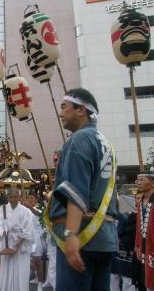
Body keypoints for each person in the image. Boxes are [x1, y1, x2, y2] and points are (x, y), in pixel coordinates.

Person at [47, 88, 118, 291]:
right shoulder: (107, 143)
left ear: (81, 110)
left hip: (81, 238)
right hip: (104, 238)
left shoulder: (79, 139)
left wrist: (70, 234)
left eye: (64, 107)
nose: (61, 113)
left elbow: (76, 191)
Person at [0, 188, 34, 291]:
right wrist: (2, 230)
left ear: (19, 197)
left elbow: (28, 227)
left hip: (20, 243)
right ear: (8, 197)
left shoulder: (25, 211)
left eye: (15, 197)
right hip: (7, 241)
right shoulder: (3, 209)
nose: (13, 199)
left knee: (20, 268)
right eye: (11, 197)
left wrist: (20, 240)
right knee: (7, 266)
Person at [135, 173, 154, 290]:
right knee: (148, 282)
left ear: (152, 183)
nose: (139, 182)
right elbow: (138, 226)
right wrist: (138, 245)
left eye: (142, 180)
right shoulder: (140, 201)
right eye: (138, 180)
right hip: (145, 247)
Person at [26, 191, 45, 291]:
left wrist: (29, 207)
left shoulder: (40, 208)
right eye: (28, 197)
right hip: (26, 237)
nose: (29, 199)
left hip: (37, 237)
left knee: (37, 261)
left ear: (36, 200)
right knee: (27, 260)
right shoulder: (24, 210)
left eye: (32, 198)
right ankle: (35, 276)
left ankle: (40, 284)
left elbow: (37, 213)